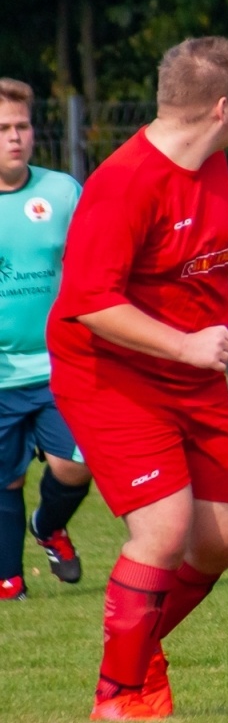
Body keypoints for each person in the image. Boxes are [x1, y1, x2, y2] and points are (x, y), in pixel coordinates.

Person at [47, 37, 228, 720]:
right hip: (110, 374)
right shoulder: (123, 183)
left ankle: (137, 645)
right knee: (165, 529)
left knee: (220, 542)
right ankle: (119, 694)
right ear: (219, 107)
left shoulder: (211, 160)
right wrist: (184, 344)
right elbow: (91, 302)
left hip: (188, 370)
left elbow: (205, 248)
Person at [0, 78, 93, 599]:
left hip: (61, 365)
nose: (16, 137)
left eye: (22, 126)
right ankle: (8, 579)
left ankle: (49, 526)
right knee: (4, 479)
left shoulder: (60, 192)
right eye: (4, 129)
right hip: (1, 377)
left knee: (78, 465)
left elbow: (94, 266)